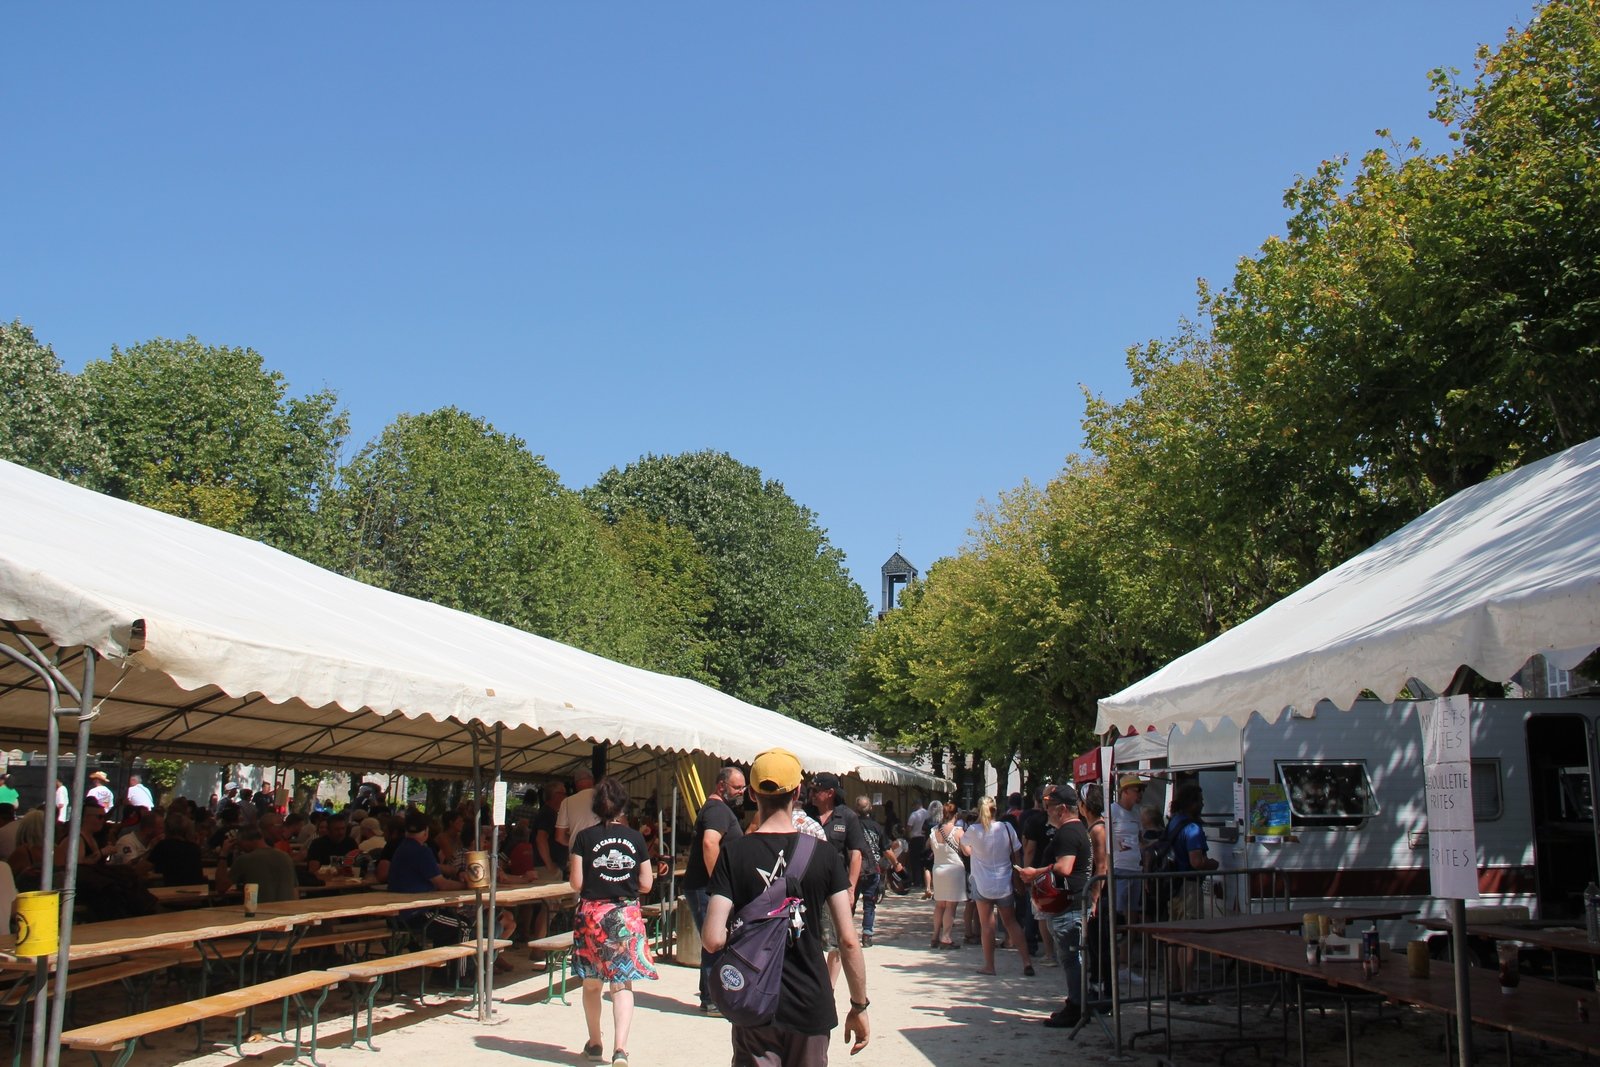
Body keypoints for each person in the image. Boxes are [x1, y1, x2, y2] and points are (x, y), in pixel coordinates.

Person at [704, 748, 869, 1066]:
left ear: (752, 794)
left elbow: (712, 939)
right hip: (809, 1001)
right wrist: (859, 1005)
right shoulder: (824, 855)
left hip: (754, 1000)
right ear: (797, 793)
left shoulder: (733, 853)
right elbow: (848, 940)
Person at [569, 775, 657, 1067]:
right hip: (624, 915)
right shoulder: (635, 838)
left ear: (595, 806)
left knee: (592, 983)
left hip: (591, 916)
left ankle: (595, 1043)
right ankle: (620, 1049)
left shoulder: (583, 838)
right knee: (622, 985)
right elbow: (646, 883)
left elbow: (576, 882)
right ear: (622, 806)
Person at [1017, 784, 1092, 1028]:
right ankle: (1077, 1003)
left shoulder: (1068, 832)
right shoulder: (1075, 829)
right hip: (1070, 901)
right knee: (1071, 957)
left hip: (1068, 902)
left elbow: (1064, 867)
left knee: (1071, 959)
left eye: (1050, 806)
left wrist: (1035, 872)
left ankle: (1077, 1007)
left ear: (1062, 809)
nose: (1046, 810)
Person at [685, 765, 746, 1014]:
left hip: (705, 887)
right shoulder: (717, 810)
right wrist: (718, 883)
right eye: (737, 787)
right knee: (715, 941)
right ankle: (712, 999)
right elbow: (710, 843)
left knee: (715, 940)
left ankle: (710, 996)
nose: (742, 792)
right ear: (721, 786)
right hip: (704, 887)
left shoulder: (720, 810)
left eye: (743, 787)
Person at [961, 795, 1034, 976]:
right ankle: (1026, 961)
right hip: (1004, 882)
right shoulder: (1006, 827)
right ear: (996, 809)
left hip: (982, 882)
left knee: (987, 925)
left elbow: (966, 850)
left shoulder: (974, 830)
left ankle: (990, 966)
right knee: (1011, 923)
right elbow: (1016, 852)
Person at [810, 772, 868, 984]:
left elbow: (856, 855)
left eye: (816, 790)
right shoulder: (806, 815)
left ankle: (829, 987)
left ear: (830, 793)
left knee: (837, 939)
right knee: (811, 935)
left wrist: (851, 889)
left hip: (836, 887)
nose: (811, 794)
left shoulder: (847, 817)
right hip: (809, 886)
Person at [216, 826, 299, 902]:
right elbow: (295, 890)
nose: (239, 848)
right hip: (286, 910)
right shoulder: (285, 857)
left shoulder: (245, 860)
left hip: (259, 910)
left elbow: (221, 887)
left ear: (244, 841)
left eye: (239, 844)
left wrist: (223, 854)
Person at [928, 801, 967, 949]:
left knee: (939, 905)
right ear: (955, 815)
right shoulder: (958, 831)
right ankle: (946, 937)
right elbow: (967, 852)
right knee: (951, 906)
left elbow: (930, 847)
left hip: (938, 868)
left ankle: (935, 936)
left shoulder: (933, 831)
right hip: (954, 869)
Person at [852, 795, 886, 948]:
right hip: (873, 868)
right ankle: (867, 935)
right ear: (870, 808)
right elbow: (885, 848)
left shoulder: (852, 825)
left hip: (856, 868)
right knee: (869, 903)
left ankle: (846, 932)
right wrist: (896, 864)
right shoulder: (877, 827)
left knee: (850, 901)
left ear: (855, 808)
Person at [147, 812, 206, 886]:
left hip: (169, 889)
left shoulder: (163, 845)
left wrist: (151, 849)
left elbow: (142, 869)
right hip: (195, 889)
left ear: (167, 829)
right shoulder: (194, 847)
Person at [555, 768, 598, 849]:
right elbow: (622, 824)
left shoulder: (567, 802)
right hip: (603, 851)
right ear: (593, 780)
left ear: (575, 784)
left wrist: (575, 844)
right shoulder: (606, 797)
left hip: (578, 854)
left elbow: (559, 837)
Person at [306, 813, 355, 877]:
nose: (341, 832)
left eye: (343, 828)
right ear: (328, 830)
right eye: (337, 829)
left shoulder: (351, 843)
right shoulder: (317, 844)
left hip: (348, 881)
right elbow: (313, 871)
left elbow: (356, 867)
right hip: (324, 881)